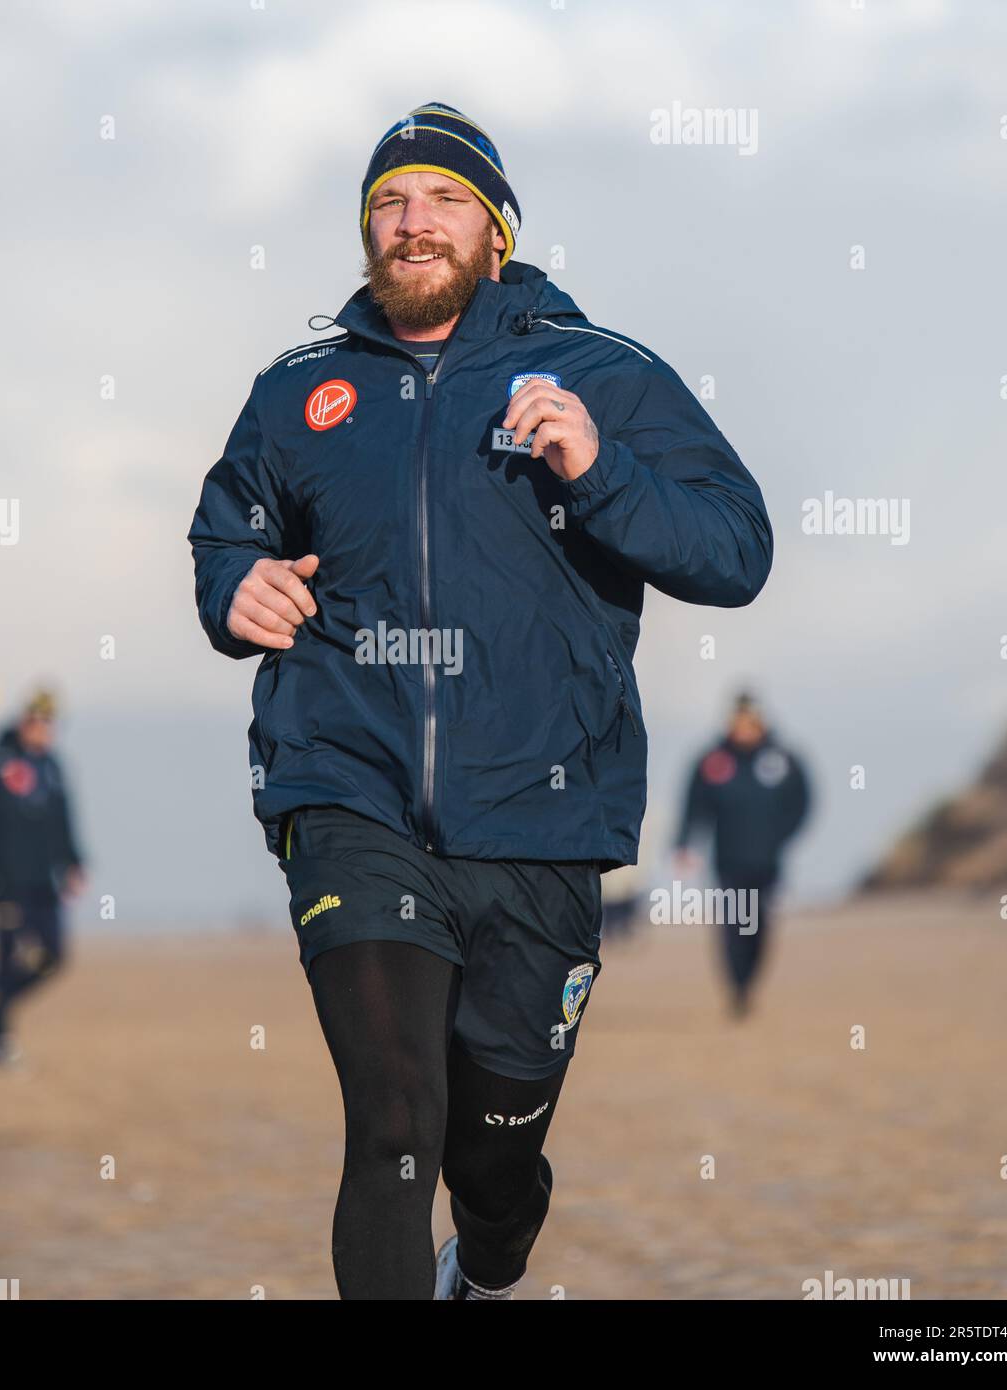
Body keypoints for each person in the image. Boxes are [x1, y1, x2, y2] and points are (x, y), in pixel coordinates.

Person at [189, 101, 772, 1299]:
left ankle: (492, 1258)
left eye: (443, 200)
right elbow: (227, 531)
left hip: (543, 822)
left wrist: (600, 467)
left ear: (496, 231)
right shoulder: (299, 391)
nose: (412, 224)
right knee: (395, 1119)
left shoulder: (606, 371)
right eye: (387, 205)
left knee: (492, 1154)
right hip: (349, 793)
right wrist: (233, 583)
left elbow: (736, 550)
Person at [0, 689, 86, 1064]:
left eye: (50, 722)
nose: (43, 728)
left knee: (53, 956)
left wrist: (73, 863)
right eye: (36, 720)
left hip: (44, 883)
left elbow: (63, 823)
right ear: (22, 720)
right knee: (7, 956)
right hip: (5, 882)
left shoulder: (53, 767)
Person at [674, 692, 810, 1017]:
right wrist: (684, 844)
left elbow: (802, 802)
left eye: (751, 722)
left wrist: (782, 836)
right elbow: (694, 806)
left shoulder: (782, 759)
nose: (745, 728)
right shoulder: (713, 762)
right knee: (735, 924)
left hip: (767, 861)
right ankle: (737, 986)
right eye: (739, 722)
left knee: (760, 925)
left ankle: (749, 980)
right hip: (729, 861)